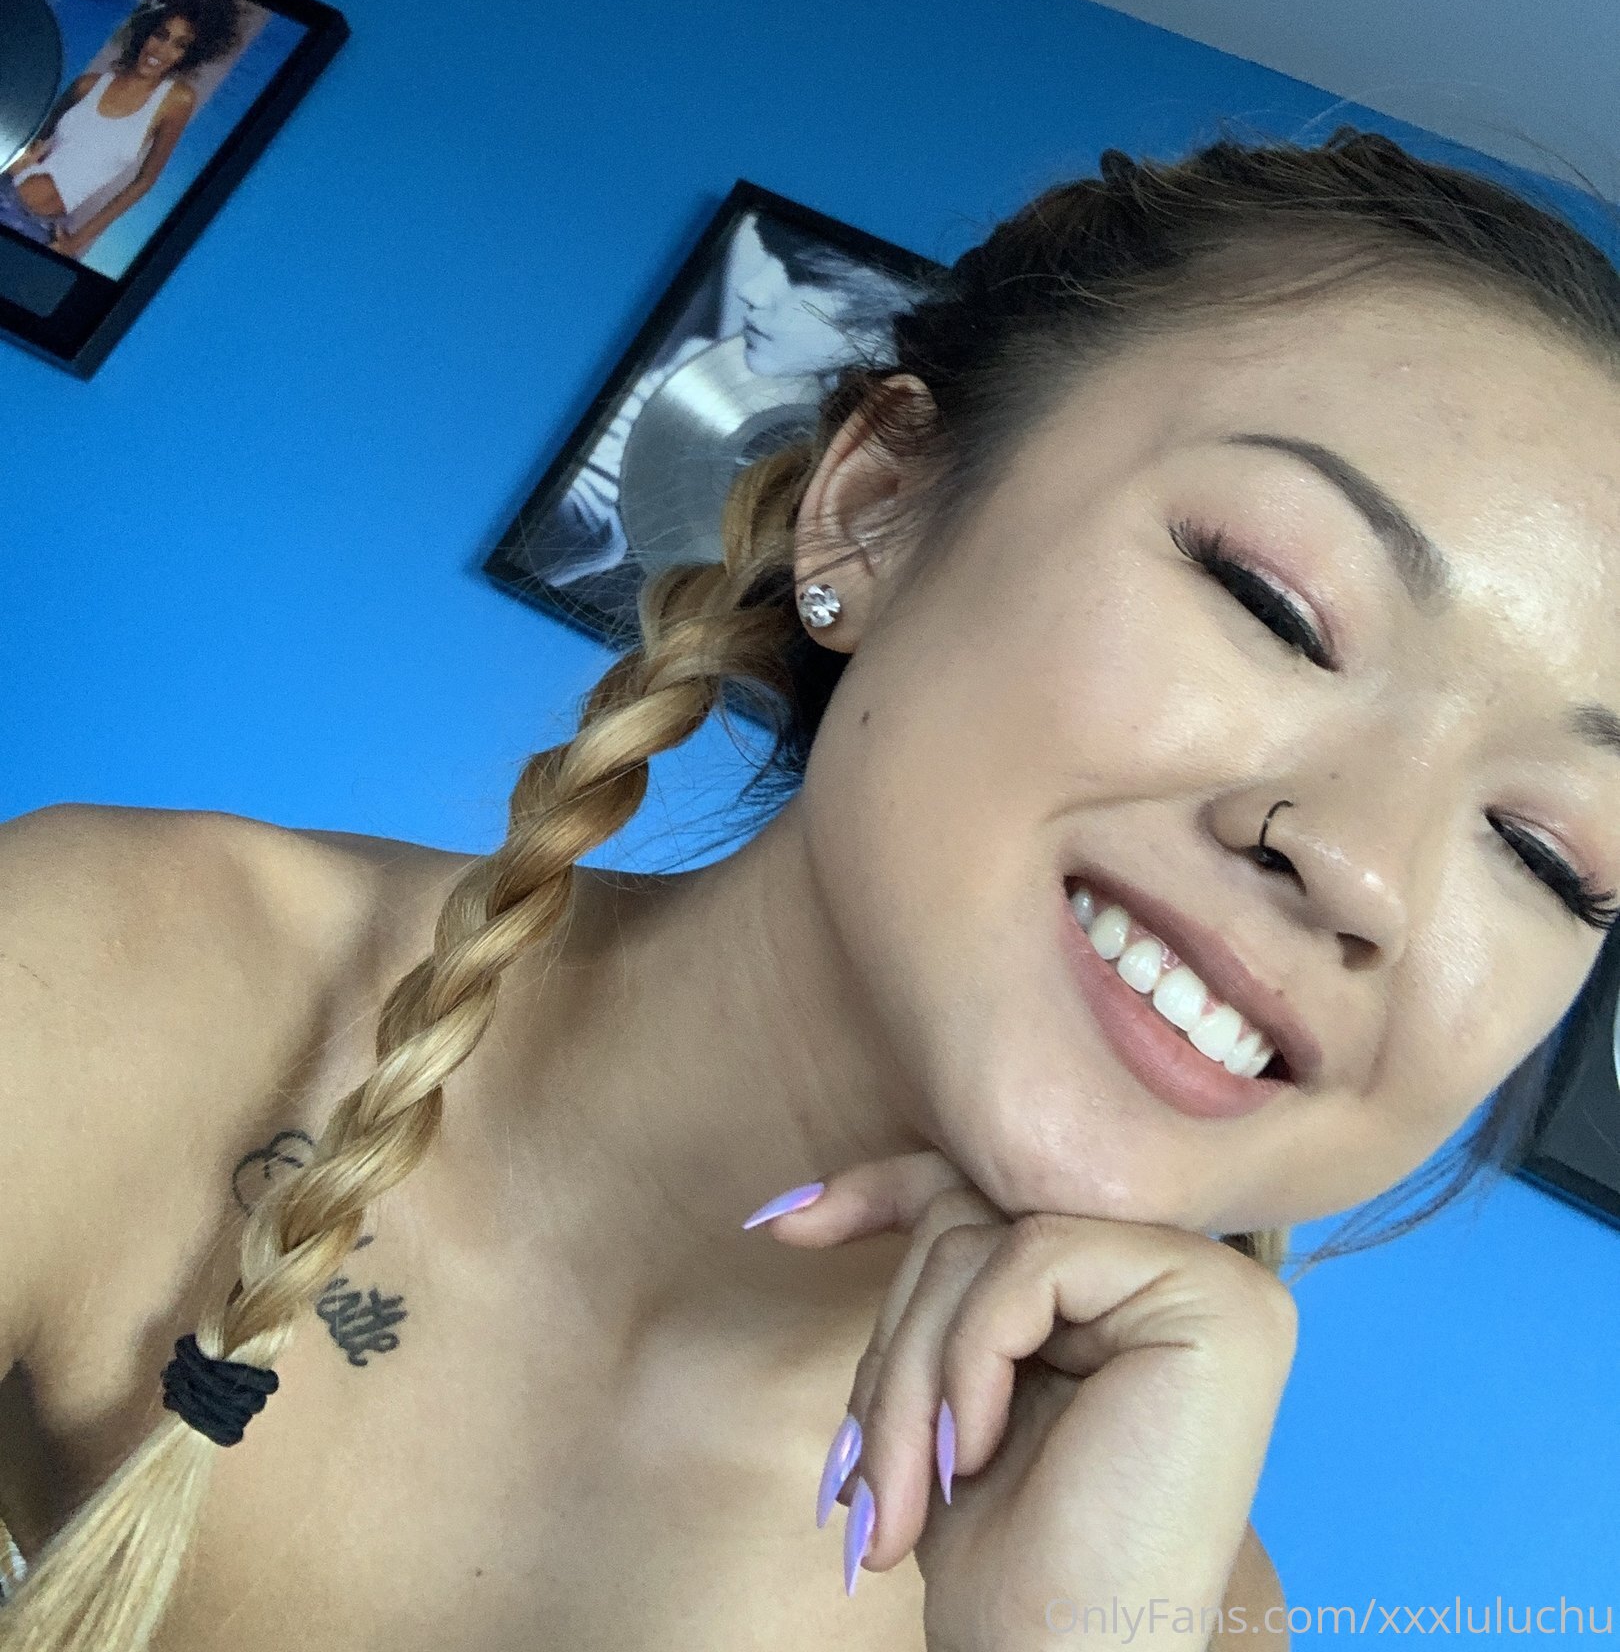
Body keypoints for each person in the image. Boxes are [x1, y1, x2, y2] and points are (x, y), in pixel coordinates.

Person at [1, 128, 1618, 1652]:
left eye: (1552, 853)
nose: (1363, 864)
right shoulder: (108, 981)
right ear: (875, 510)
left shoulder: (1171, 1599)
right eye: (1272, 601)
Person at [542, 208, 927, 598]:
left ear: (891, 314)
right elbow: (580, 517)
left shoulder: (909, 478)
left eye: (801, 276)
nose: (752, 291)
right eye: (767, 256)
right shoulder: (696, 375)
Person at [0, 0, 240, 263]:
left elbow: (144, 181)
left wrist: (76, 241)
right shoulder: (87, 84)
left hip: (39, 229)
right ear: (146, 30)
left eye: (180, 45)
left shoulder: (177, 100)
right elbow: (29, 135)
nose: (161, 50)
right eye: (160, 35)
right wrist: (22, 159)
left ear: (190, 55)